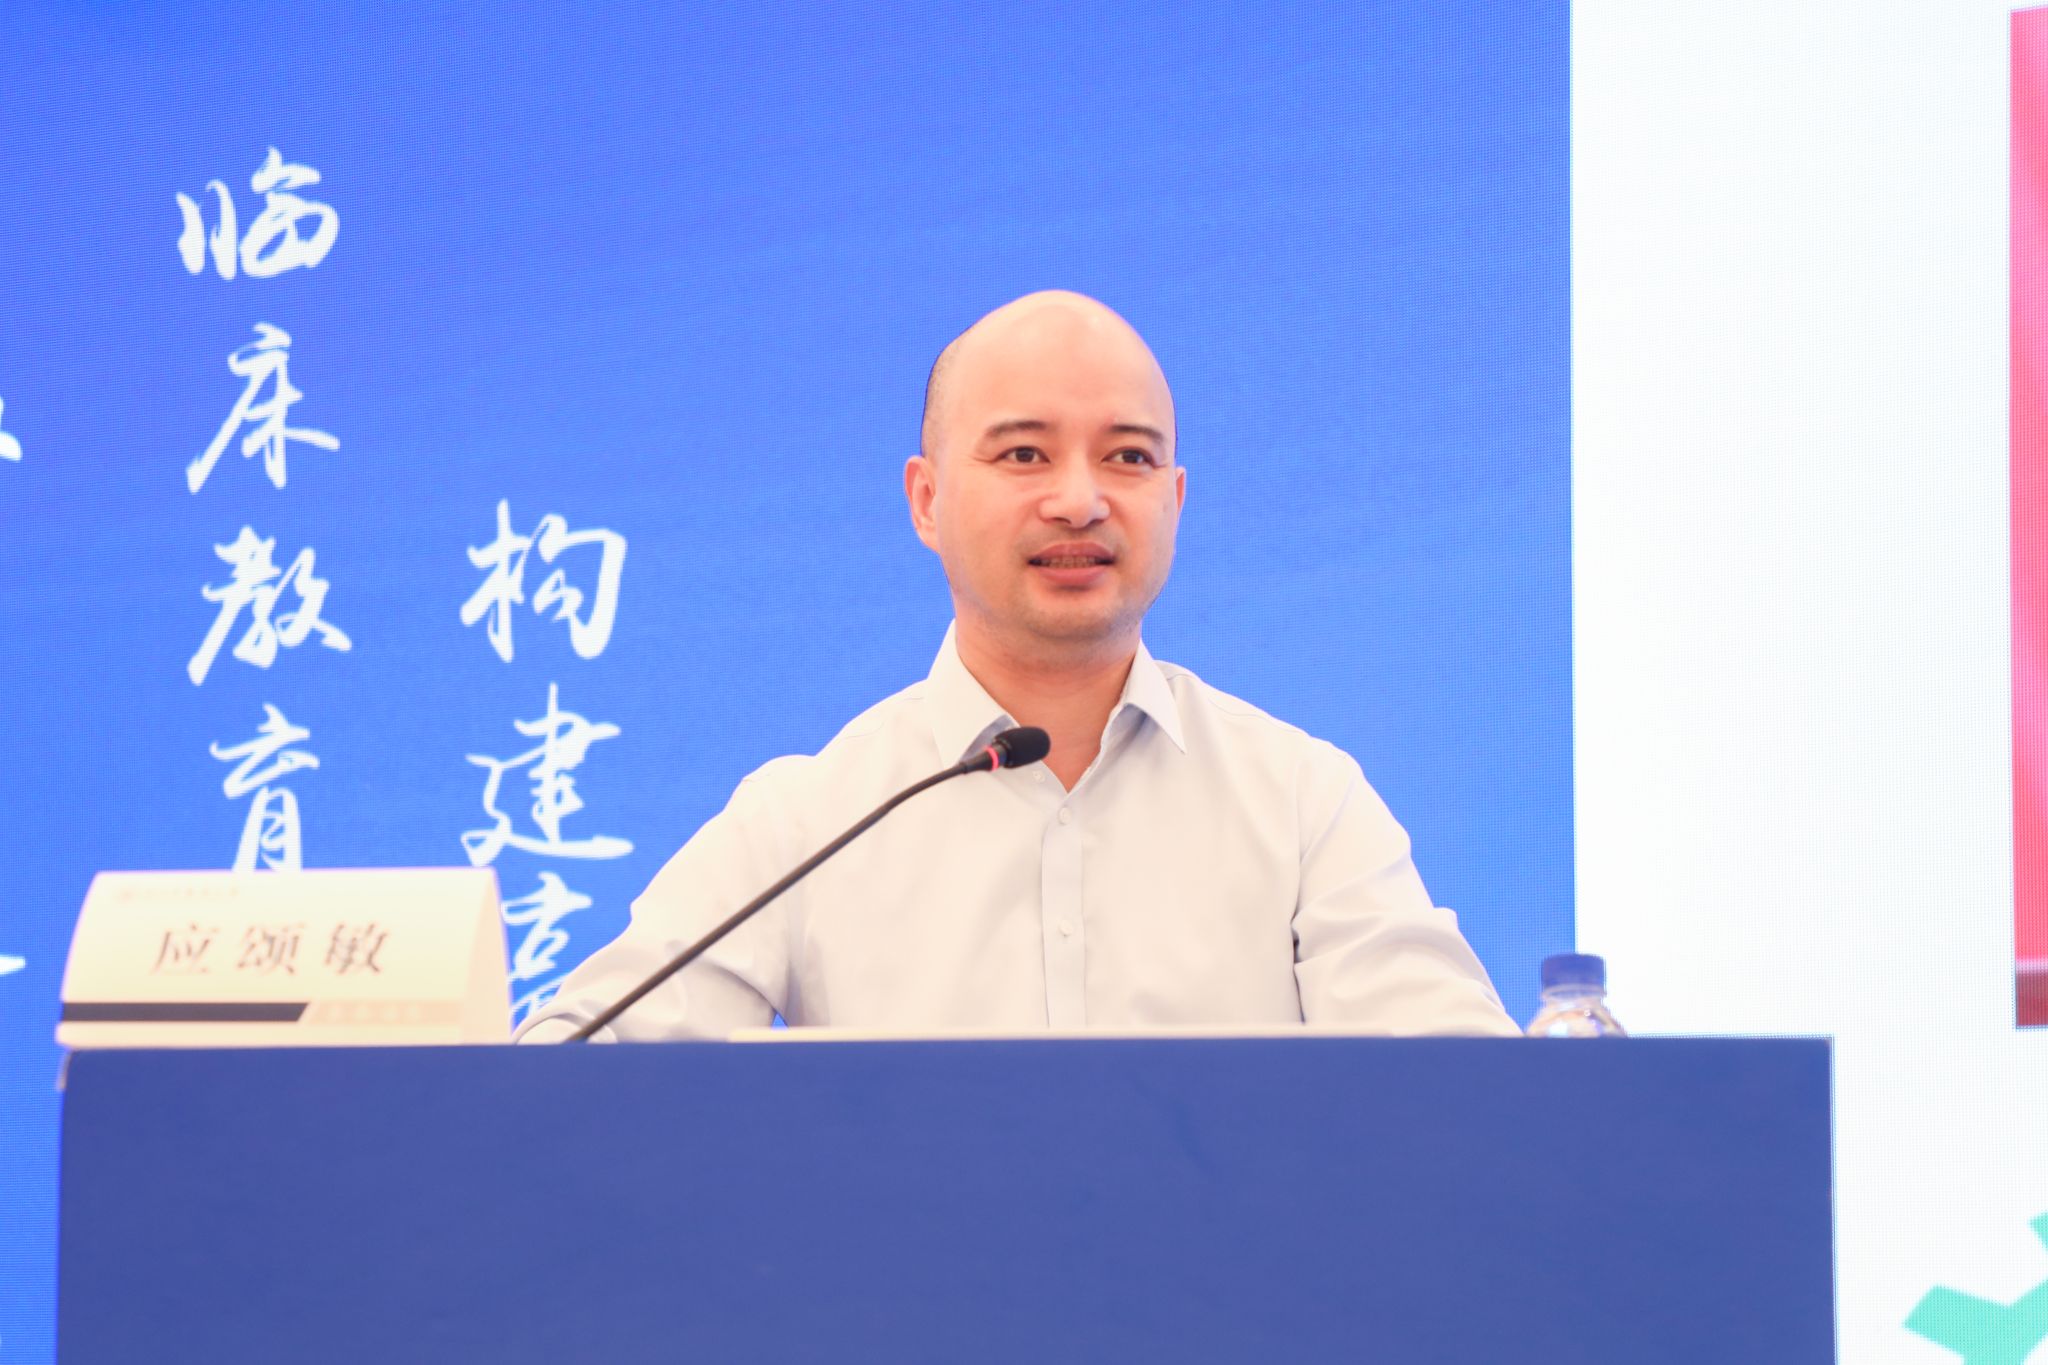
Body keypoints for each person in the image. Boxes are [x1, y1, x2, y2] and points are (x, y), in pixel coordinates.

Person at [517, 290, 1516, 1041]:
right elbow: (567, 1078)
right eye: (1024, 455)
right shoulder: (810, 819)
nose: (1079, 500)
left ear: (1175, 500)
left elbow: (1465, 1097)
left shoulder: (1302, 804)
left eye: (1127, 458)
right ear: (925, 500)